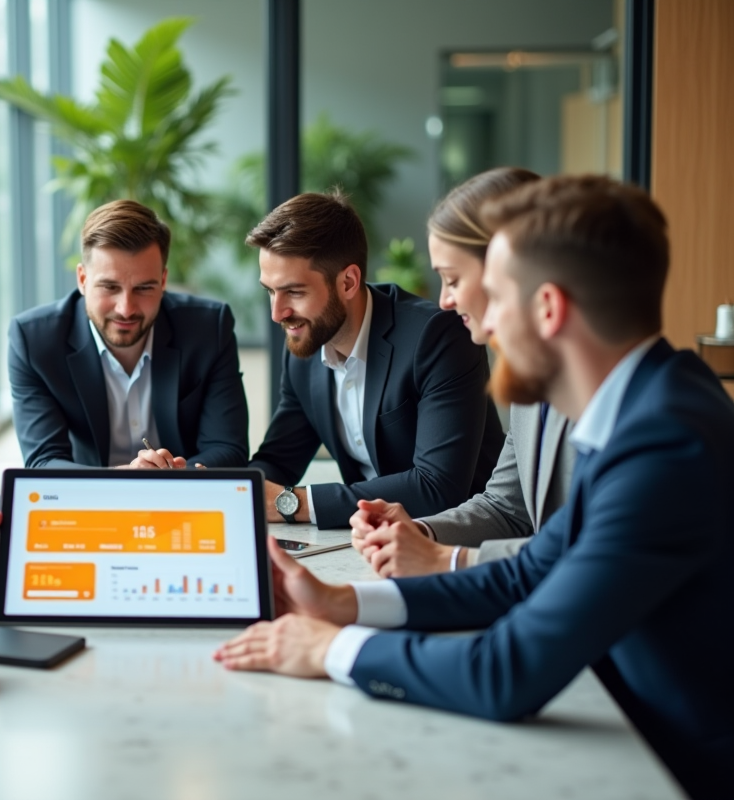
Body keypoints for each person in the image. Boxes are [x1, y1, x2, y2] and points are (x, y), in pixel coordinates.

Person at [216, 176, 734, 799]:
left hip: (675, 765)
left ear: (547, 309)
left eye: (496, 292)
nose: (464, 315)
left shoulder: (663, 445)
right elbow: (528, 572)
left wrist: (331, 649)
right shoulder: (642, 409)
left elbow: (505, 673)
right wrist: (342, 603)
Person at [350, 167, 572, 577]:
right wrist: (420, 533)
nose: (444, 301)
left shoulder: (616, 402)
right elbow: (505, 508)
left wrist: (444, 559)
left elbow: (584, 554)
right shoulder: (531, 384)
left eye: (452, 280)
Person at [247, 191, 504, 529]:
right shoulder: (305, 344)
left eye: (294, 292)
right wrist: (216, 487)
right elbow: (277, 462)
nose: (277, 313)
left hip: (461, 538)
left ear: (348, 282)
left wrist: (293, 503)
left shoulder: (437, 336)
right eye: (270, 291)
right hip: (368, 539)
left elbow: (437, 487)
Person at [8, 199, 249, 469]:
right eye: (110, 287)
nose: (126, 309)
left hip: (181, 488)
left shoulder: (209, 328)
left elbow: (229, 449)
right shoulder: (34, 341)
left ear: (163, 281)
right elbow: (44, 462)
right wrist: (125, 479)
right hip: (93, 493)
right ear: (83, 280)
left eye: (144, 288)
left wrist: (175, 477)